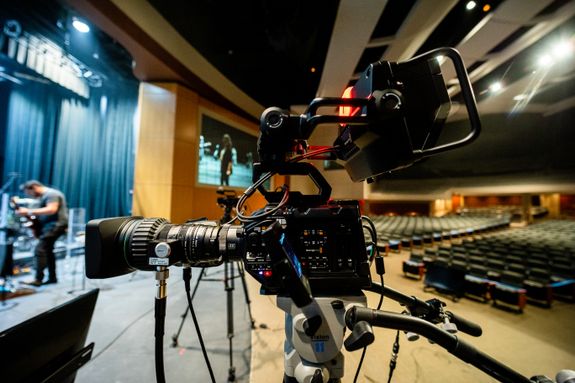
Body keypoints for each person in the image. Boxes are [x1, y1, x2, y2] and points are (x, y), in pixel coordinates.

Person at [15, 180, 68, 286]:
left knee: (40, 250)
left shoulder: (52, 194)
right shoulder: (44, 196)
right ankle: (52, 277)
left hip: (56, 225)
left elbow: (52, 209)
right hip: (50, 226)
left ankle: (38, 279)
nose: (30, 195)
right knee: (48, 251)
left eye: (29, 192)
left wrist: (28, 212)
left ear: (33, 187)